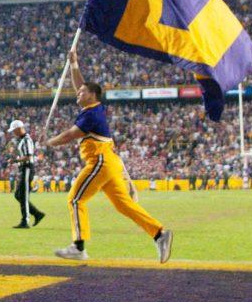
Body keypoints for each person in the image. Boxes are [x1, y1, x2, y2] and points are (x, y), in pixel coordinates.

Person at [47, 47, 173, 264]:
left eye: (82, 93)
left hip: (100, 162)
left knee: (75, 199)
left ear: (92, 95)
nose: (78, 93)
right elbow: (80, 85)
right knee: (124, 205)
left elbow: (70, 134)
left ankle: (78, 246)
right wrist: (74, 64)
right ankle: (159, 234)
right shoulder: (92, 109)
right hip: (109, 163)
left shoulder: (91, 115)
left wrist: (49, 141)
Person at [7, 120, 45, 228]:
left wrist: (16, 160)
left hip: (27, 168)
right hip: (24, 169)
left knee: (23, 195)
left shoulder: (27, 140)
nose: (13, 133)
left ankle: (25, 221)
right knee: (18, 195)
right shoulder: (23, 140)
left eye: (14, 131)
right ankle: (37, 214)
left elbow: (29, 156)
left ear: (19, 129)